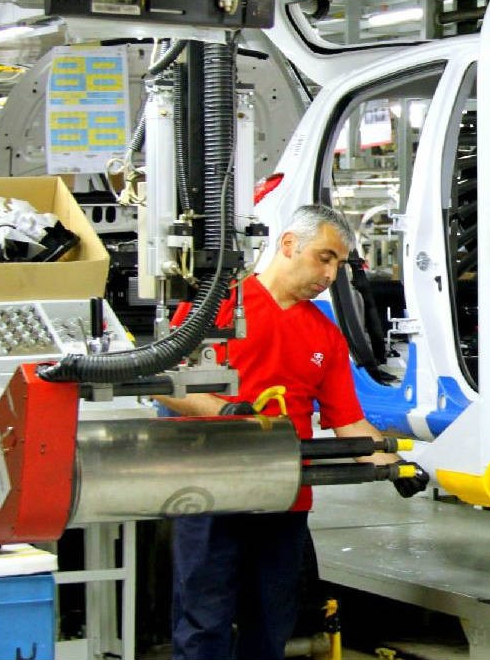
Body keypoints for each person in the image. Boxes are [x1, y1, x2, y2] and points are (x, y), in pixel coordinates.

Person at [154, 204, 427, 660]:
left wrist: (393, 464)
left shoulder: (325, 334)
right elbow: (165, 381)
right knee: (204, 621)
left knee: (271, 624)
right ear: (288, 245)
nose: (330, 274)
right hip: (210, 490)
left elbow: (347, 421)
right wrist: (230, 413)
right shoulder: (216, 307)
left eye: (338, 264)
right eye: (324, 257)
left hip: (284, 497)